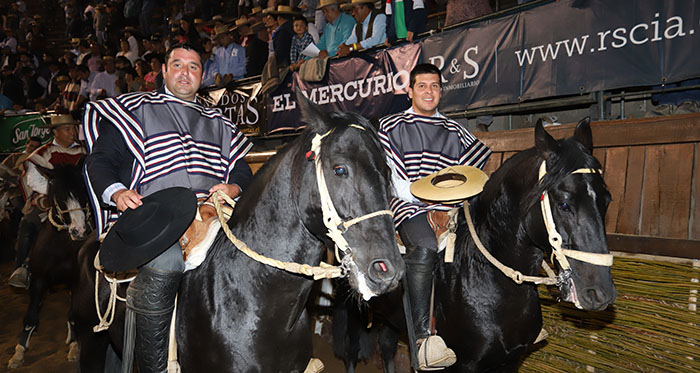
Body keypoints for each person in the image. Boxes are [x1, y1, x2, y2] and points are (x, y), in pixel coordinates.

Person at [83, 43, 253, 372]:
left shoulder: (219, 119)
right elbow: (101, 160)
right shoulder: (134, 108)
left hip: (212, 211)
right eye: (177, 65)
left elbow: (241, 167)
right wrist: (117, 193)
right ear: (163, 71)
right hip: (155, 213)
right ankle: (155, 362)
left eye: (193, 67)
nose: (185, 72)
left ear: (203, 76)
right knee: (168, 258)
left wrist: (234, 185)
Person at [378, 63, 492, 370]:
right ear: (410, 91)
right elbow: (393, 181)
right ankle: (423, 336)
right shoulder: (391, 126)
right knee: (426, 245)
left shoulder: (455, 130)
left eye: (435, 86)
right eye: (423, 86)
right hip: (408, 203)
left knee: (485, 241)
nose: (429, 91)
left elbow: (470, 174)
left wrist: (451, 202)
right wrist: (429, 198)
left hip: (452, 205)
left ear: (441, 91)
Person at [8, 114, 86, 288]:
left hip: (81, 200)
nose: (72, 132)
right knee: (29, 222)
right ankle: (22, 268)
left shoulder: (84, 151)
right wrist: (58, 194)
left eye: (74, 128)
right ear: (55, 132)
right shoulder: (43, 153)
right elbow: (33, 180)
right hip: (50, 199)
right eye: (67, 129)